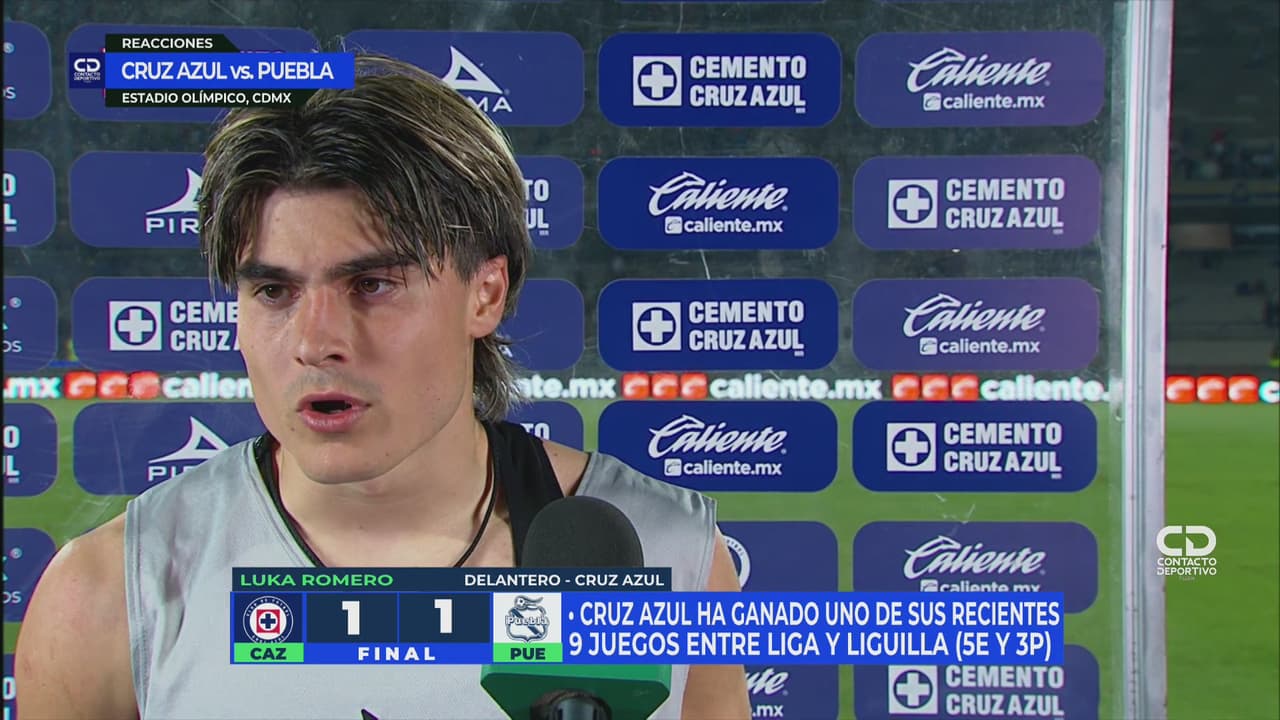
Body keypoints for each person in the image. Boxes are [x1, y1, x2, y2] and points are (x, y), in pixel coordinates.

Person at [15, 54, 751, 720]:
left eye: (371, 284)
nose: (315, 341)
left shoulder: (666, 551)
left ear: (486, 293)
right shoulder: (110, 594)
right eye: (273, 291)